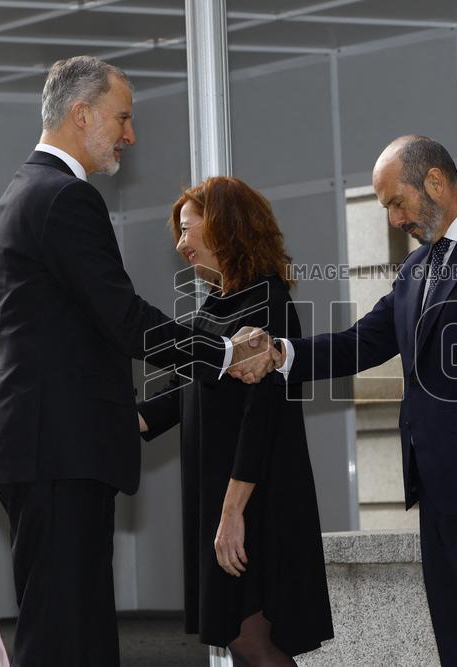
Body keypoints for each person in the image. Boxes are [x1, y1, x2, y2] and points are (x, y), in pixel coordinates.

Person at [0, 56, 273, 665]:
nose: (129, 134)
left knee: (75, 632)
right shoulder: (64, 197)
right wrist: (221, 353)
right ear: (81, 113)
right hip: (60, 448)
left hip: (51, 446)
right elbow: (123, 317)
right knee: (66, 636)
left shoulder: (24, 191)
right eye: (122, 117)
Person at [266, 135, 457, 666]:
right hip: (438, 497)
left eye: (396, 202)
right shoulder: (416, 270)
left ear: (436, 182)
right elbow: (360, 342)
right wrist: (280, 353)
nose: (395, 219)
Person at [136, 177, 333, 666]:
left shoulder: (268, 300)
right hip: (228, 497)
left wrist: (231, 514)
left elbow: (262, 418)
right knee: (242, 641)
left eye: (187, 229)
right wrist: (129, 419)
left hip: (255, 500)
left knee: (251, 640)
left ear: (224, 226)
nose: (181, 244)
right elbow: (189, 390)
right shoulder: (218, 305)